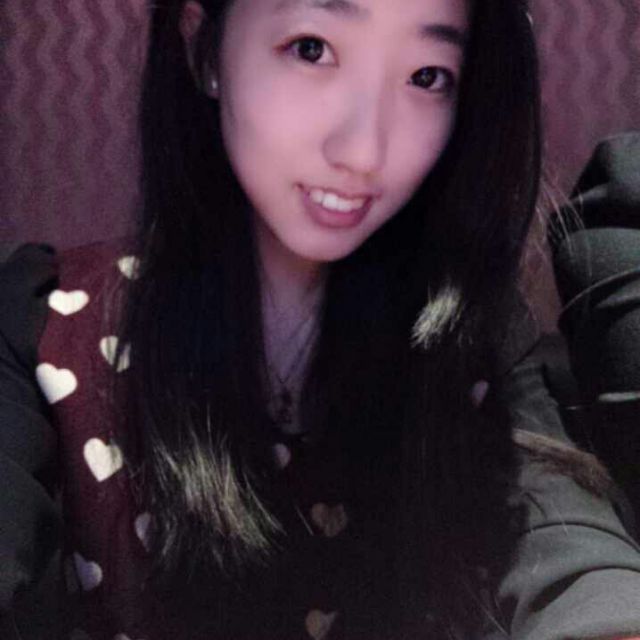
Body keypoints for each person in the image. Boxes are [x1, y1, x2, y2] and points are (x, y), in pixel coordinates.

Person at [1, 0, 640, 638]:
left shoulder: (471, 338)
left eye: (426, 76)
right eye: (311, 49)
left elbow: (567, 545)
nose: (363, 149)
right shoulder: (49, 328)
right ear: (203, 46)